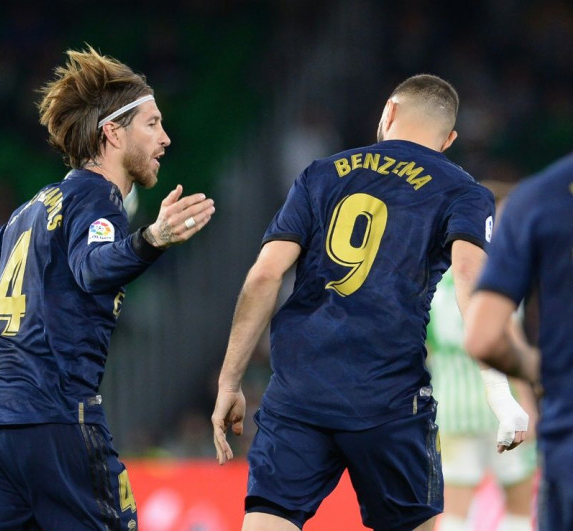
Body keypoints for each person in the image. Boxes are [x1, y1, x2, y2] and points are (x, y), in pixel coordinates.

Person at [0, 46, 215, 530]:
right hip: (53, 422)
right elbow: (92, 269)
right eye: (152, 123)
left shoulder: (28, 210)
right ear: (112, 132)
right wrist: (151, 238)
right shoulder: (98, 200)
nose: (165, 138)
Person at [211, 74, 529, 531]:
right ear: (449, 139)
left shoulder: (320, 173)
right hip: (389, 397)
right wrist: (501, 395)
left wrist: (229, 383)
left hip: (299, 390)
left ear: (390, 112)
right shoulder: (464, 192)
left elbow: (264, 275)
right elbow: (469, 280)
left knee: (268, 520)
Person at [464, 153, 573, 531]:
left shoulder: (539, 199)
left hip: (465, 404)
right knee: (513, 499)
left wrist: (542, 371)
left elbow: (484, 335)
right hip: (501, 406)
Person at [427, 183, 538, 531]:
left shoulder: (430, 289)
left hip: (454, 411)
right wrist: (531, 406)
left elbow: (424, 355)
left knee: (457, 510)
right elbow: (510, 346)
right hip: (504, 408)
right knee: (519, 504)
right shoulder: (496, 285)